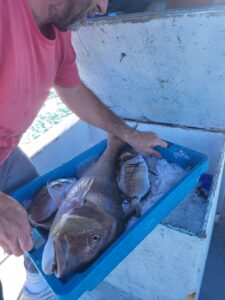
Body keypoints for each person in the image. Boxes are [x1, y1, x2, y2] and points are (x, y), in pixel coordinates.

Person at [0, 0, 167, 299]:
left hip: (6, 153)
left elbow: (74, 91)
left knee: (38, 218)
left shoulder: (58, 33)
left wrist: (128, 134)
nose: (103, 8)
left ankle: (37, 286)